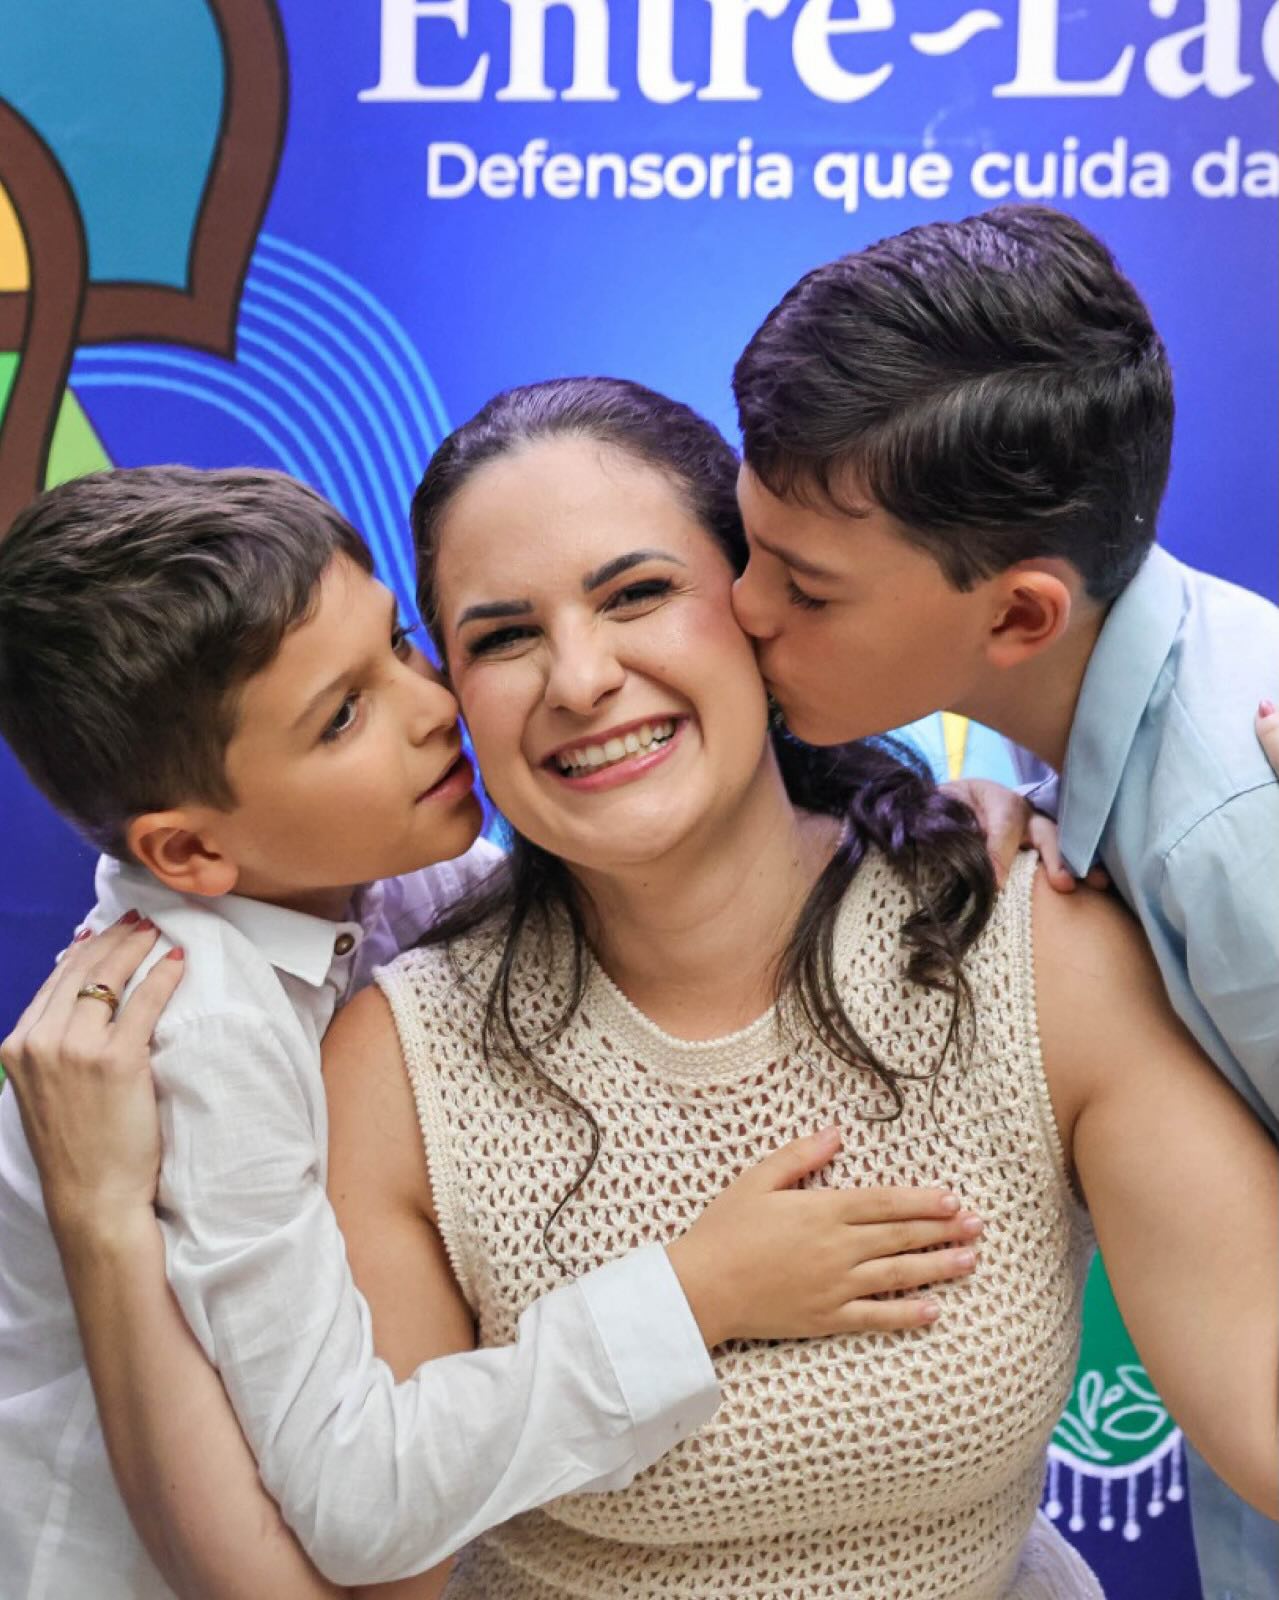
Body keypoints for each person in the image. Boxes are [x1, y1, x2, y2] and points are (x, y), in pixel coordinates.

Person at [0, 468, 981, 1600]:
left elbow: (659, 865)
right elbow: (359, 1502)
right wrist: (697, 1293)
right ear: (188, 853)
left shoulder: (379, 879)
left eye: (399, 645)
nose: (432, 708)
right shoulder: (199, 1027)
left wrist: (941, 826)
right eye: (342, 717)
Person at [728, 202, 1279, 1599]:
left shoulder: (1228, 829)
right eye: (744, 547)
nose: (742, 610)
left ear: (1020, 615)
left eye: (803, 588)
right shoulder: (1098, 729)